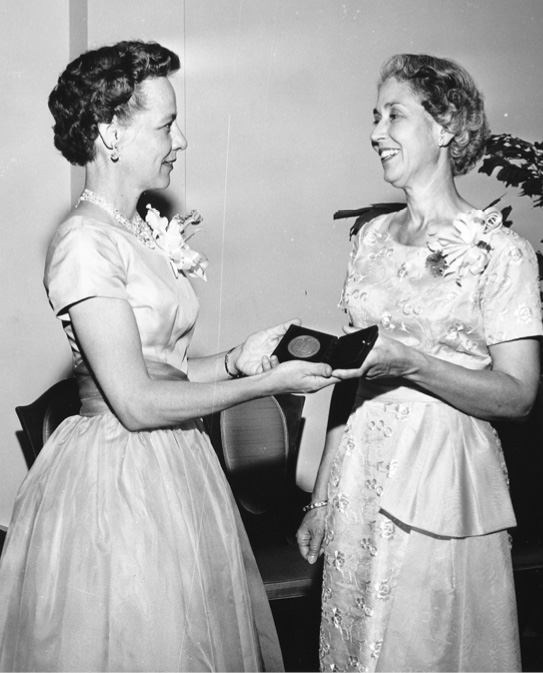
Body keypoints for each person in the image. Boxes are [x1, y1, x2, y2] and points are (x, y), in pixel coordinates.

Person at [0, 40, 339, 672]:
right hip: (118, 480)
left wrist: (240, 359)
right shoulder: (84, 242)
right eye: (165, 124)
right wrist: (260, 388)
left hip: (176, 464)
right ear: (110, 134)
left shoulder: (136, 234)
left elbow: (167, 369)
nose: (179, 140)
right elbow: (134, 401)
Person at [296, 53, 542, 672]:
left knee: (422, 646)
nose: (376, 131)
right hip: (361, 472)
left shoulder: (503, 251)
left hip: (443, 477)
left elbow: (517, 396)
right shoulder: (370, 240)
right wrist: (323, 496)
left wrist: (412, 365)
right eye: (375, 116)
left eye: (394, 115)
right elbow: (348, 380)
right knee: (356, 643)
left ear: (446, 125)